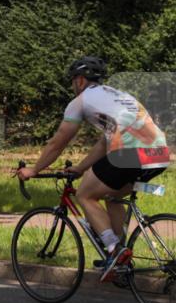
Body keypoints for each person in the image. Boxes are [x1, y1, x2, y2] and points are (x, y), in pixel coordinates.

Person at [17, 56, 170, 282]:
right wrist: (80, 168)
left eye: (72, 81)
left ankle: (114, 249)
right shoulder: (116, 95)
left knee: (85, 195)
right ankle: (119, 257)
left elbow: (58, 141)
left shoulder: (80, 102)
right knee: (112, 195)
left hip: (129, 154)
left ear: (79, 81)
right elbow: (103, 144)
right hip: (159, 154)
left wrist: (34, 169)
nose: (72, 85)